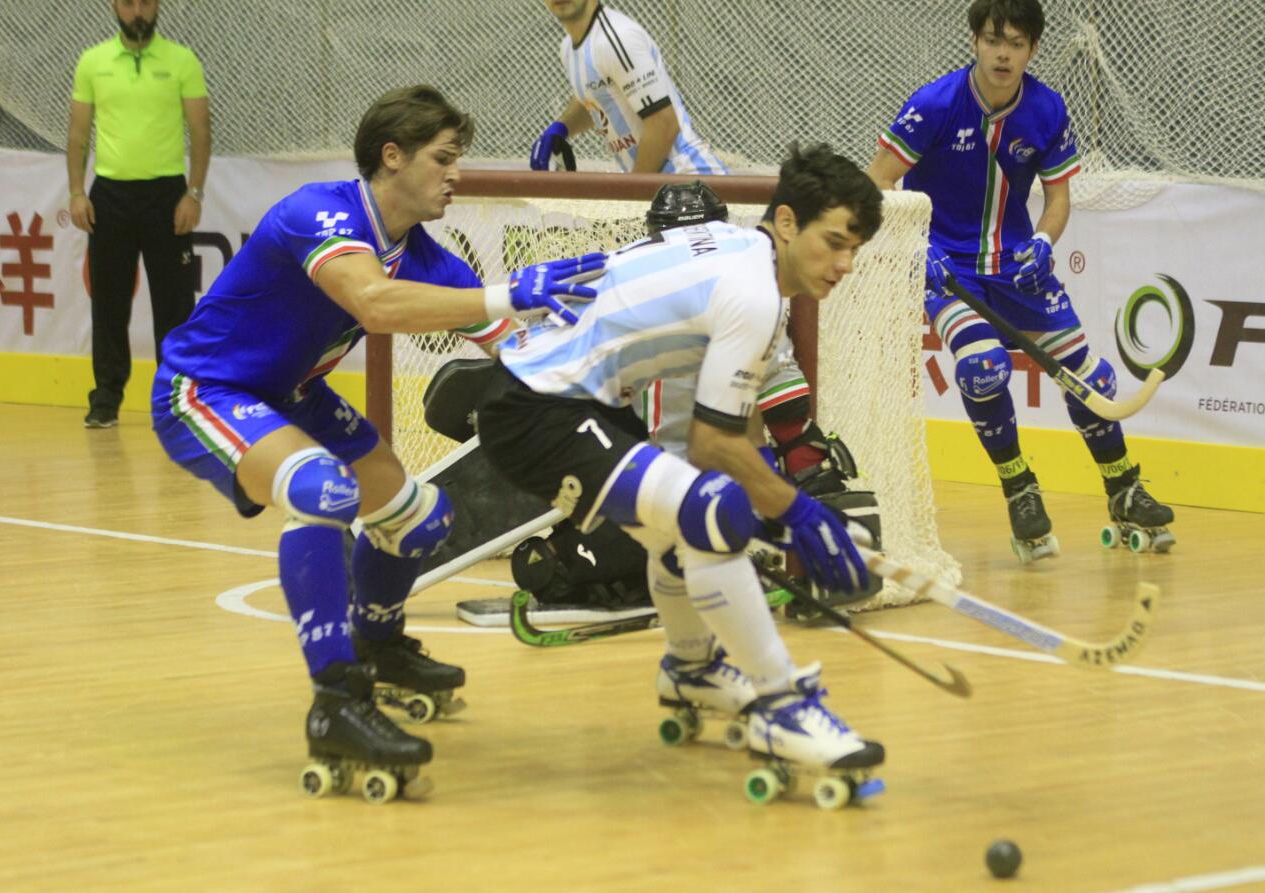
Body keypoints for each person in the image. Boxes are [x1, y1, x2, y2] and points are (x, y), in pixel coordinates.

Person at [151, 85, 603, 796]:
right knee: (324, 491)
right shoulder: (318, 212)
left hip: (293, 393)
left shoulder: (431, 260)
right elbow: (373, 301)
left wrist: (615, 359)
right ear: (392, 156)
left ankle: (379, 644)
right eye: (443, 158)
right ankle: (336, 699)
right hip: (207, 387)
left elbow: (520, 352)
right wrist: (508, 292)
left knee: (420, 518)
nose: (456, 174)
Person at [476, 144, 886, 777]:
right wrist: (801, 514)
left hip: (579, 400)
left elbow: (720, 440)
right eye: (834, 243)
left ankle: (692, 669)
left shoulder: (740, 253)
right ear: (785, 222)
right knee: (713, 513)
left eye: (854, 249)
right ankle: (781, 707)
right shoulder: (755, 294)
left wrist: (777, 514)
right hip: (540, 409)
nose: (845, 265)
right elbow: (712, 444)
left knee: (682, 532)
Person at [866, 0, 1175, 559]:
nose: (1002, 54)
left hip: (1017, 267)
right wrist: (917, 247)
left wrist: (1044, 243)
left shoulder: (1047, 109)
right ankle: (1020, 489)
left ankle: (1125, 489)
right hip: (948, 269)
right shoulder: (934, 104)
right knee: (983, 368)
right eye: (992, 40)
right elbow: (877, 183)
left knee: (1093, 380)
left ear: (1032, 49)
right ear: (974, 42)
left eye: (1015, 43)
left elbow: (1057, 199)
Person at [67, 0, 211, 428]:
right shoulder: (93, 61)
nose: (137, 12)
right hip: (109, 196)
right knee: (108, 303)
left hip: (167, 196)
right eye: (128, 3)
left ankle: (176, 400)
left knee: (174, 304)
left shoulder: (182, 60)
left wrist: (193, 193)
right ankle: (105, 399)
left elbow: (201, 132)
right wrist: (77, 192)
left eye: (145, 2)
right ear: (115, 6)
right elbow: (77, 135)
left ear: (157, 5)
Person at [529, 0, 726, 175]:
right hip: (656, 185)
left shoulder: (617, 38)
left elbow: (663, 123)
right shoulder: (568, 49)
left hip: (689, 178)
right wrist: (561, 128)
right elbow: (597, 96)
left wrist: (632, 194)